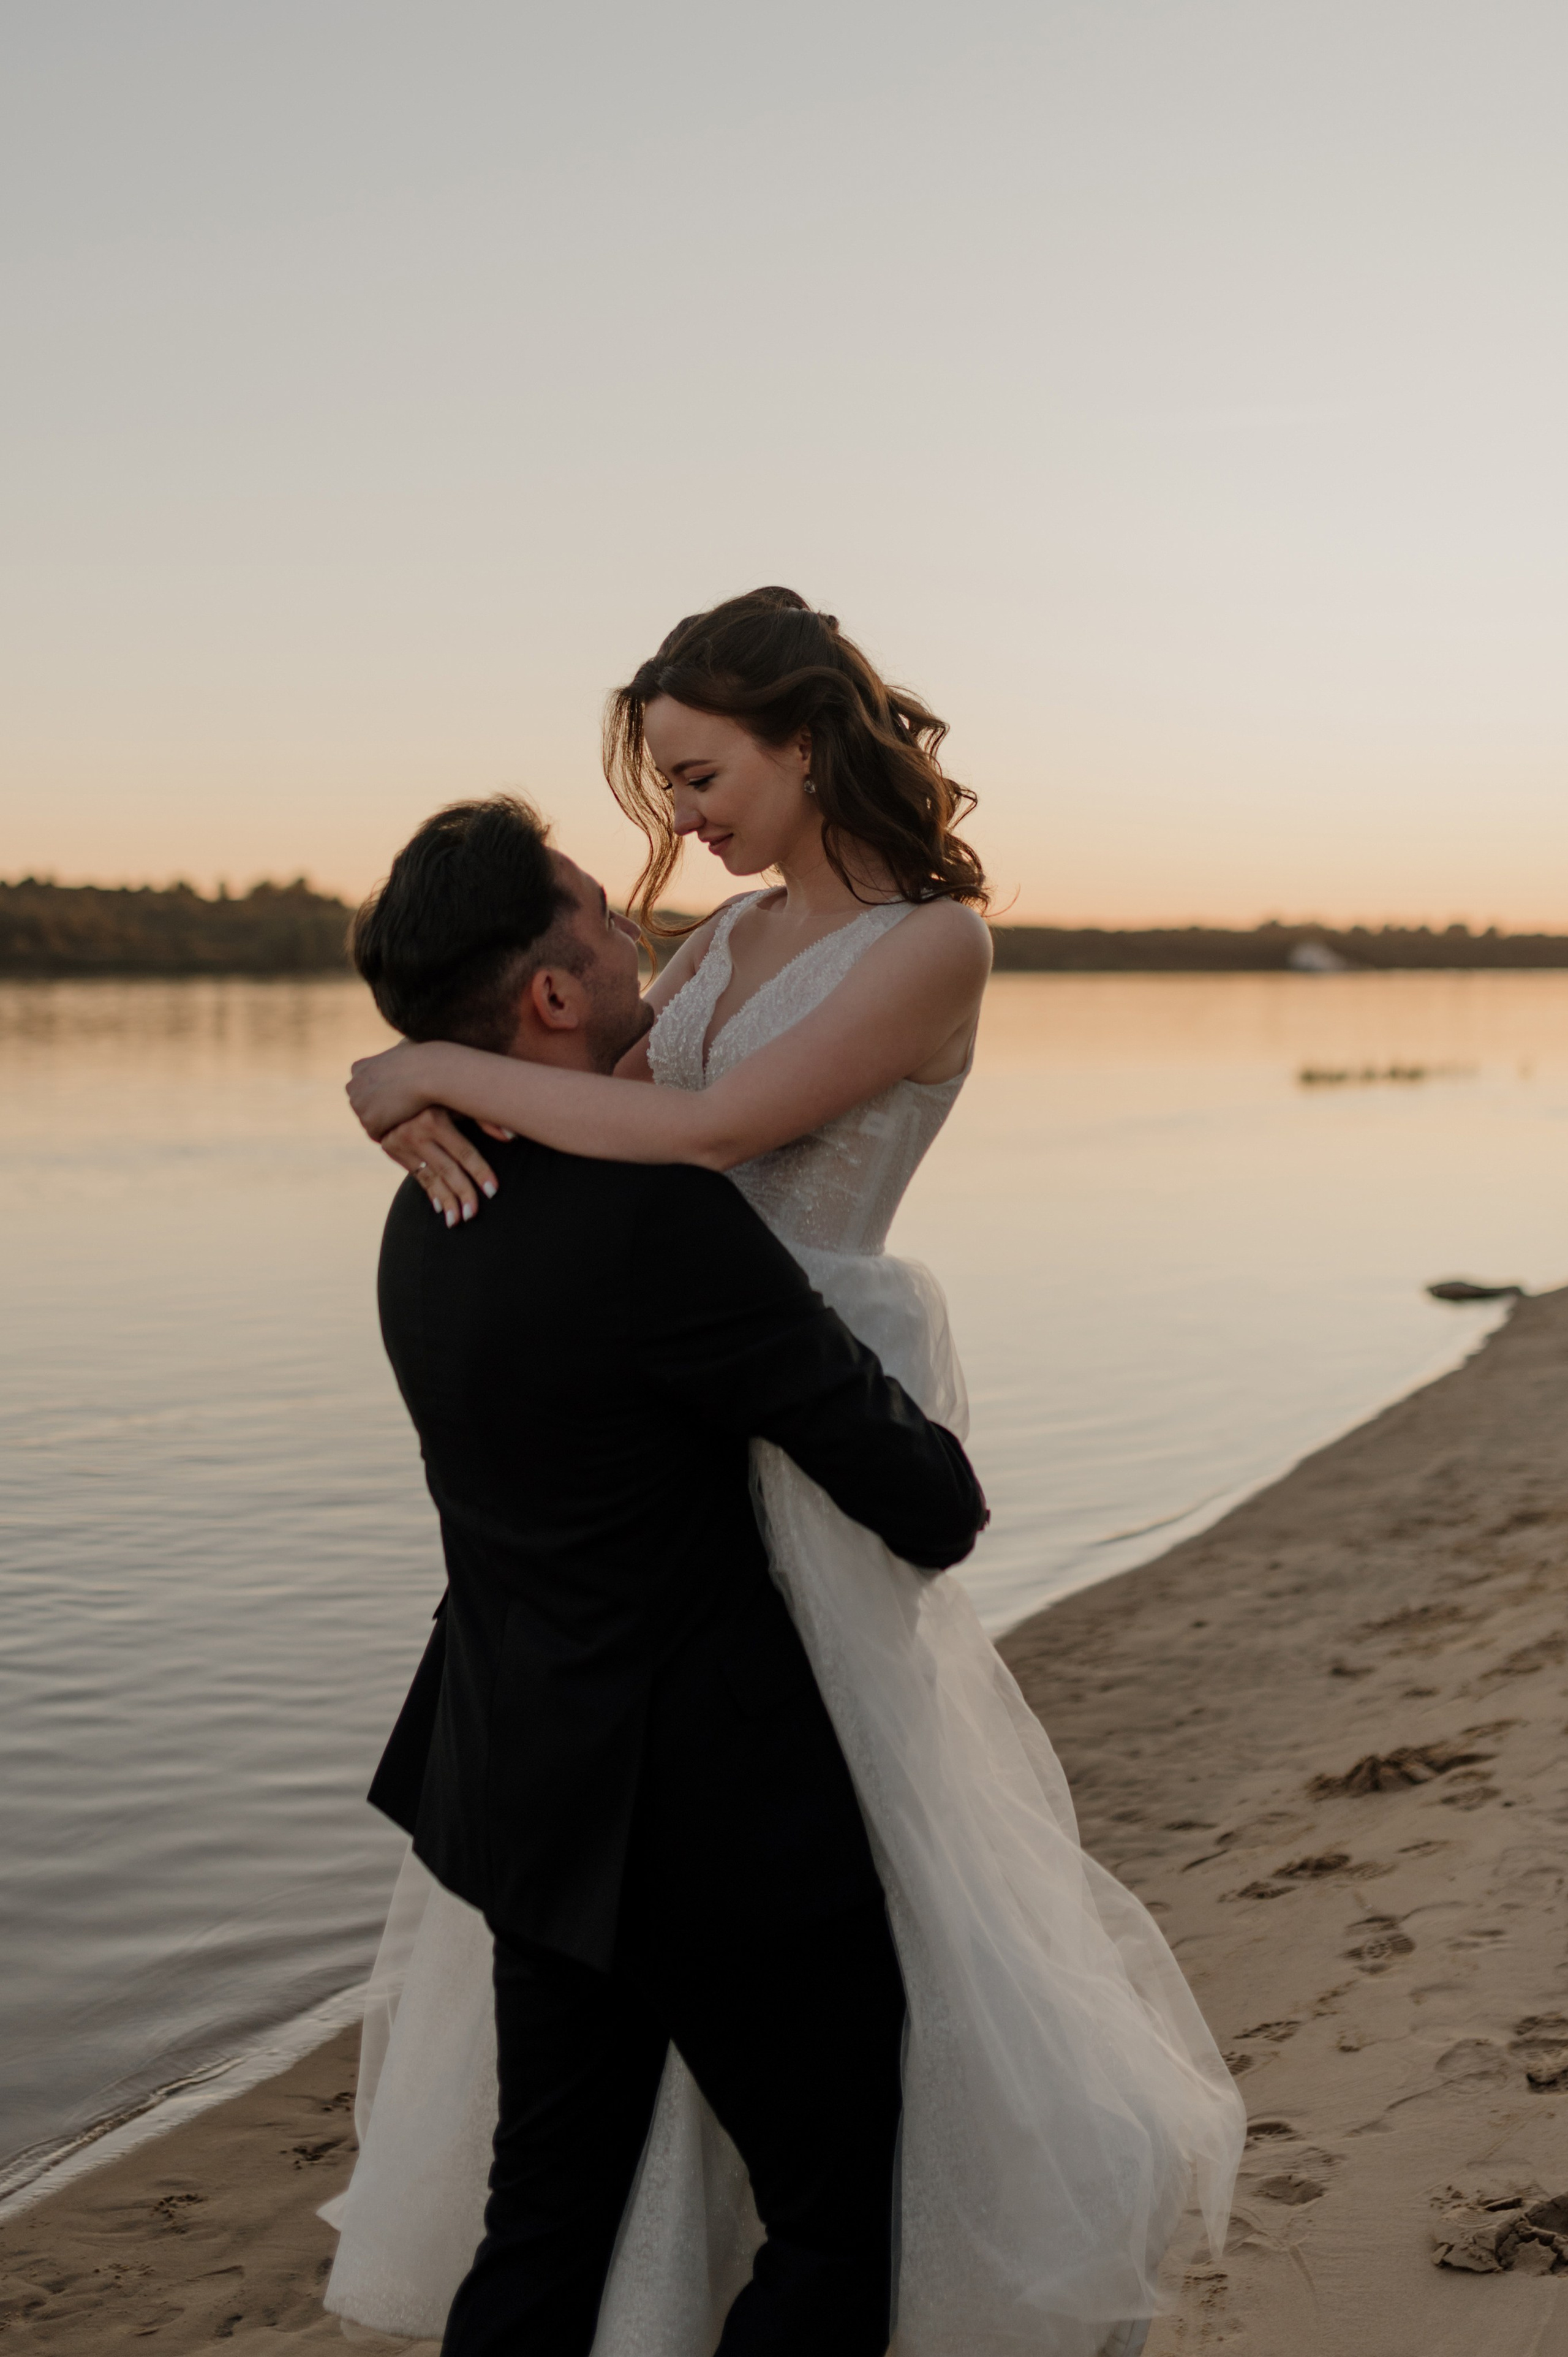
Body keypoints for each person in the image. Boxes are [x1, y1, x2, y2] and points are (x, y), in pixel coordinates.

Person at [332, 590, 1245, 2357]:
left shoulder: (932, 945)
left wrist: (424, 1064)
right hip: (671, 1420)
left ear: (807, 743)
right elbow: (582, 1088)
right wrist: (428, 1087)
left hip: (779, 1393)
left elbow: (698, 1130)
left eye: (698, 775)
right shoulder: (723, 946)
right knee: (741, 2063)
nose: (675, 824)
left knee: (792, 1942)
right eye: (661, 787)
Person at [322, 790, 989, 2356]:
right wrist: (877, 1337)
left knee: (546, 2219)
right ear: (553, 997)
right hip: (708, 1805)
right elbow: (925, 1504)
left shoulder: (426, 1209)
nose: (642, 935)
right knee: (831, 2216)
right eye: (603, 919)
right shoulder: (656, 1221)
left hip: (518, 1775)